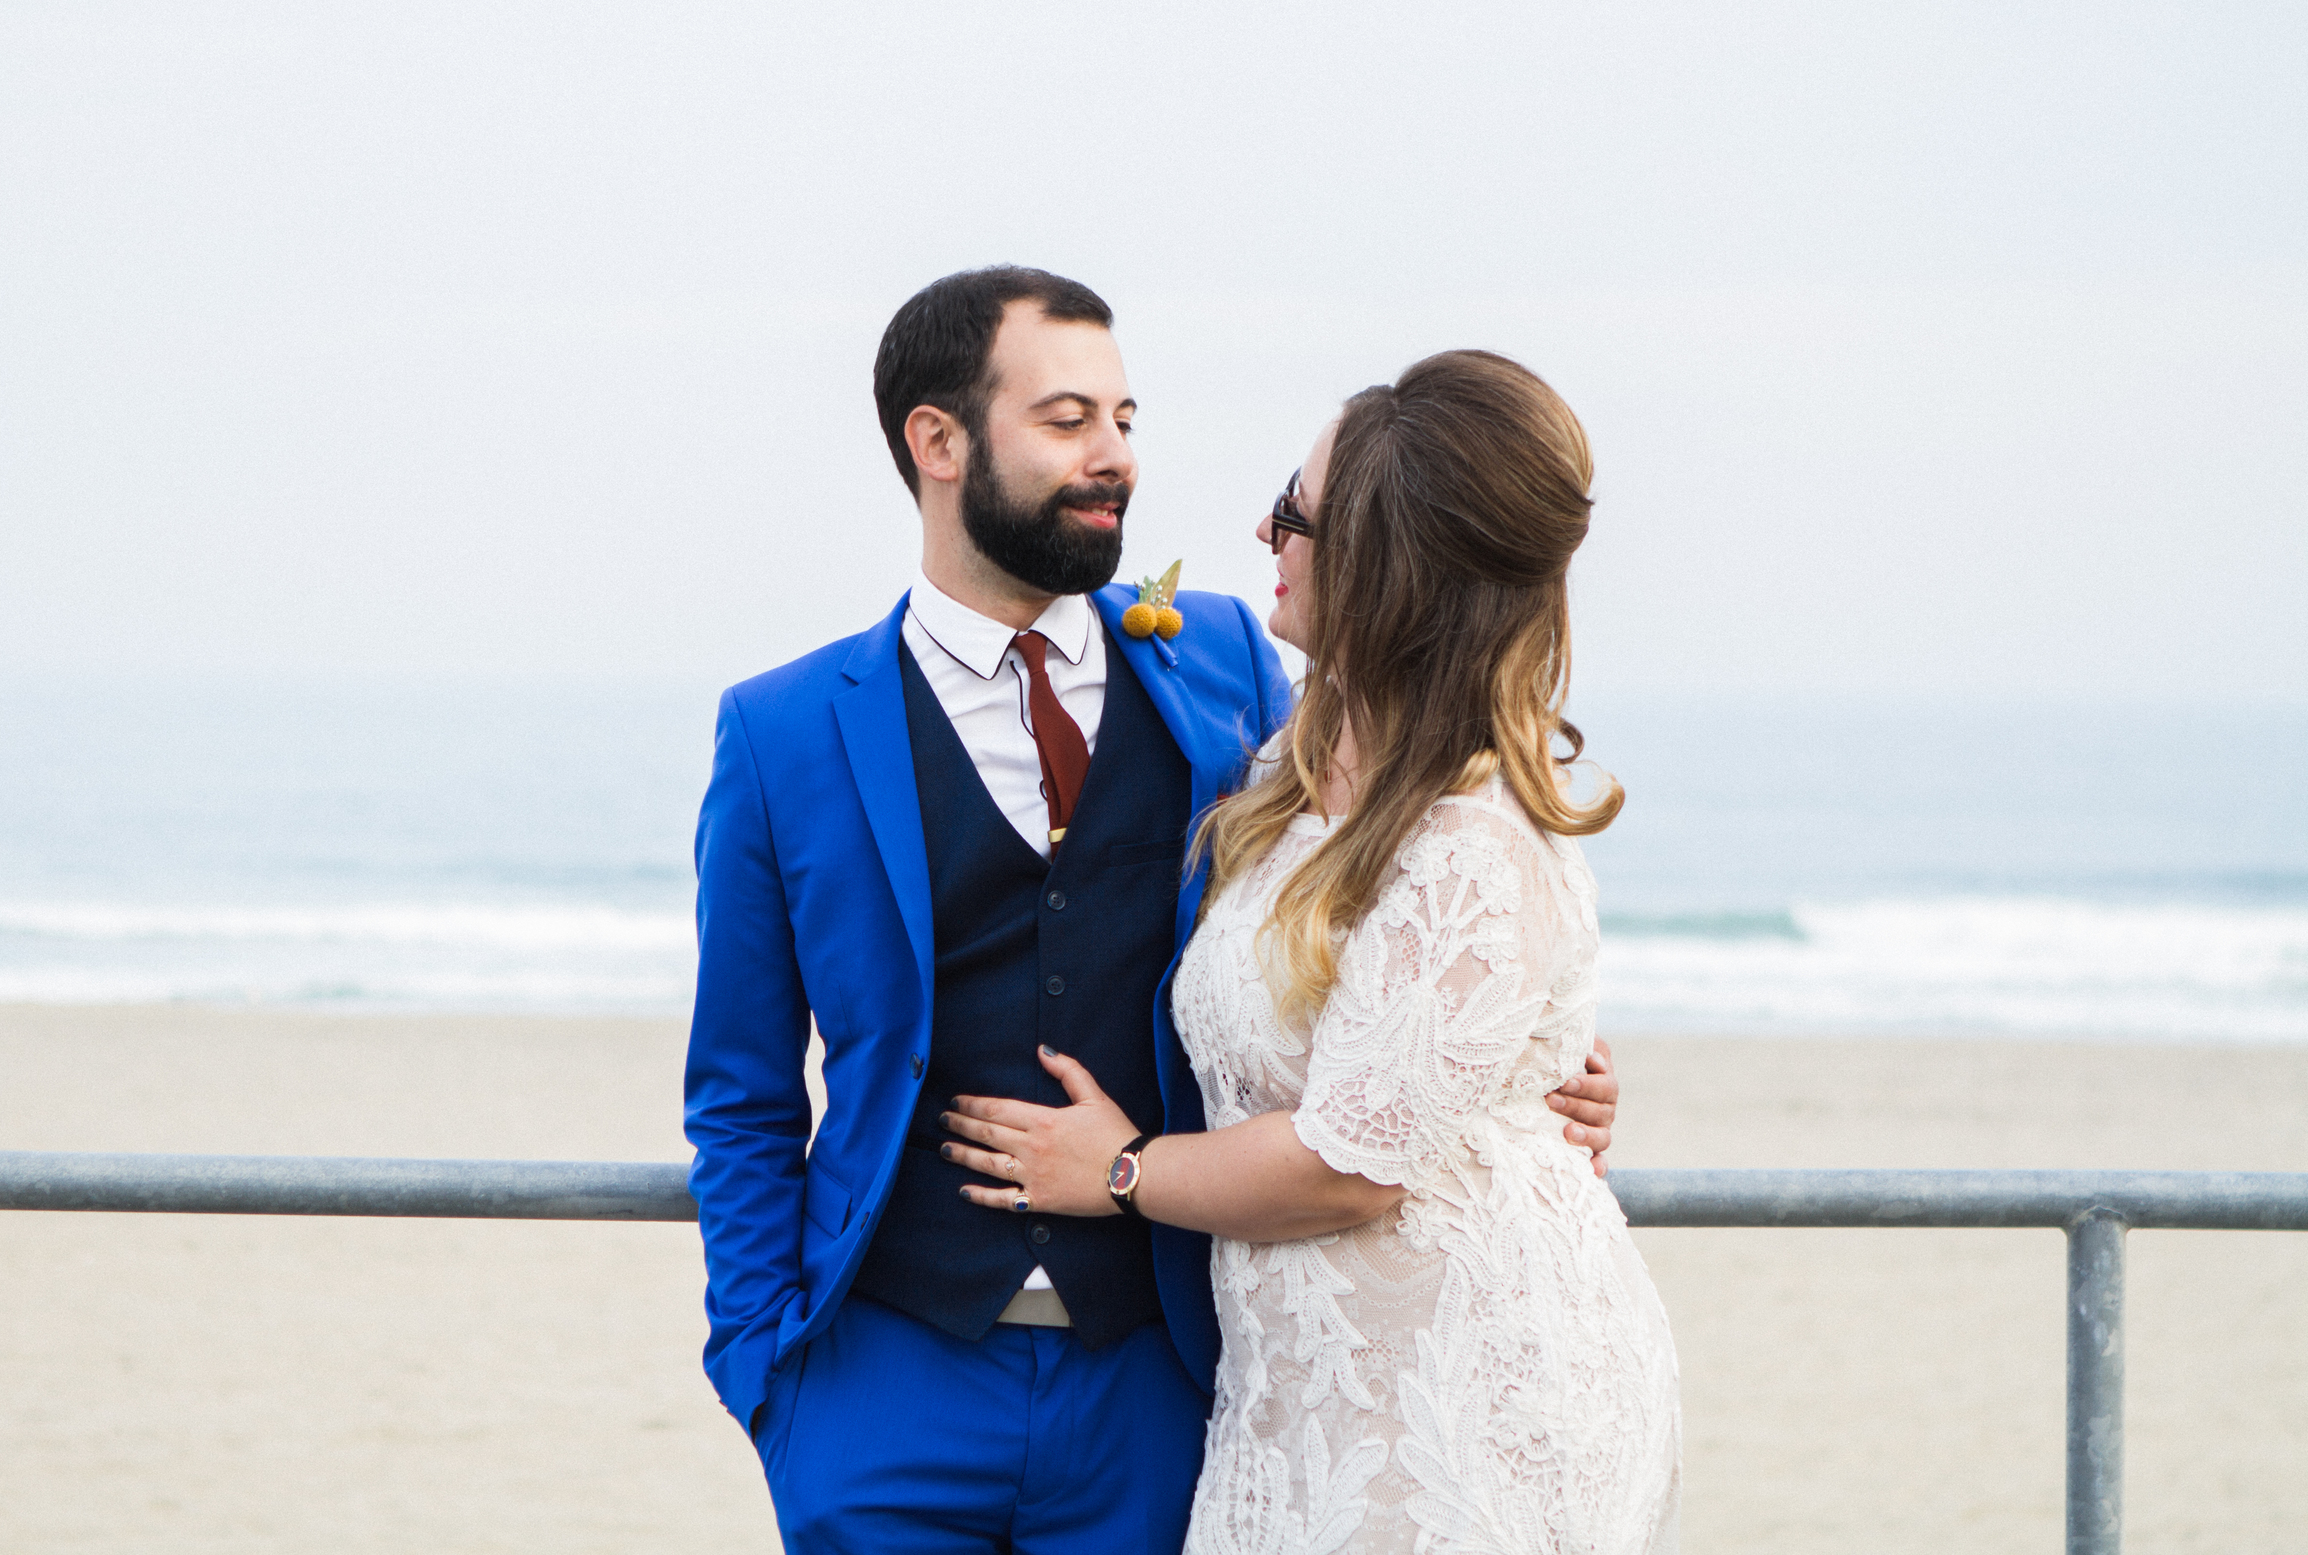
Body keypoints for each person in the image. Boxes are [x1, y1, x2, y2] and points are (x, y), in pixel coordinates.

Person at [684, 272, 1625, 1554]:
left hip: (1161, 1380)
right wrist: (767, 1376)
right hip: (885, 1380)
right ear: (938, 441)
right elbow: (739, 1086)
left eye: (1126, 416)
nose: (1114, 454)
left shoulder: (1228, 661)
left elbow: (1400, 872)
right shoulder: (780, 730)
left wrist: (1529, 1069)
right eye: (1068, 418)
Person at [940, 350, 1683, 1553]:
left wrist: (1118, 1168)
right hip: (1305, 1396)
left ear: (1380, 565)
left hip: (1466, 1403)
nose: (1262, 532)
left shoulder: (1473, 835)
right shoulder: (1294, 759)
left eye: (1295, 512)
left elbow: (1353, 1164)